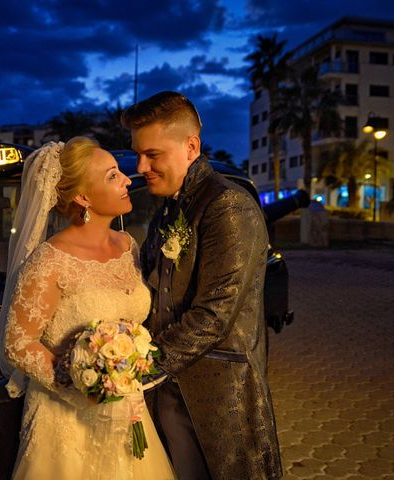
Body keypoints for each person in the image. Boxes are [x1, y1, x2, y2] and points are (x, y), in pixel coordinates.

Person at [121, 91, 283, 480]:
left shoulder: (228, 206)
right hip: (166, 392)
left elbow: (214, 315)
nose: (141, 166)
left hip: (217, 394)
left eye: (152, 155)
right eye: (139, 154)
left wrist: (141, 366)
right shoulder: (166, 211)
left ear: (191, 146)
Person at [0, 137, 176, 480]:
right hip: (67, 420)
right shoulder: (48, 261)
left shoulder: (128, 246)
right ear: (82, 197)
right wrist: (84, 386)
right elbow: (17, 343)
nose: (126, 180)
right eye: (112, 176)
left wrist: (124, 373)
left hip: (128, 409)